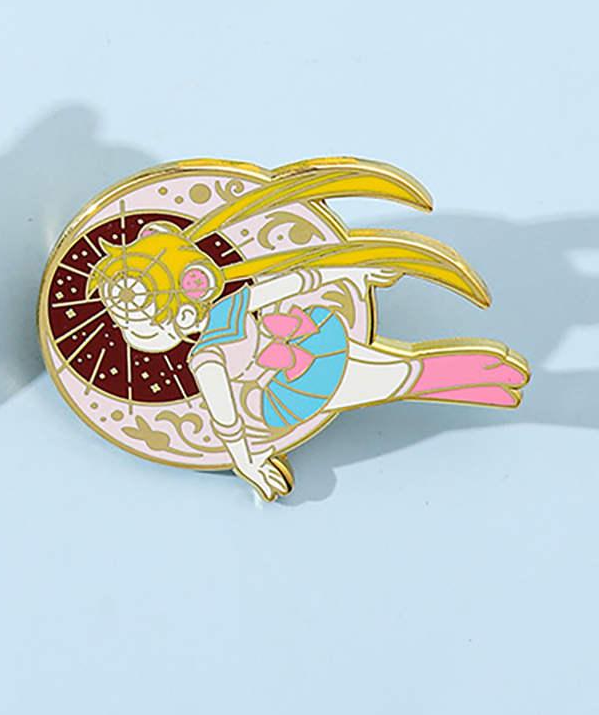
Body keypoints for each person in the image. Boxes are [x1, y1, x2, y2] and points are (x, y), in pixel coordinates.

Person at [84, 168, 527, 500]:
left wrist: (354, 272)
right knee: (402, 376)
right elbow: (228, 422)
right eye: (126, 320)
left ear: (181, 310)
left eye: (136, 320)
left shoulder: (221, 326)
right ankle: (488, 380)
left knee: (401, 372)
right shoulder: (211, 350)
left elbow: (293, 283)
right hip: (291, 383)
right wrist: (251, 465)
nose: (128, 330)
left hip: (304, 357)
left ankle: (487, 379)